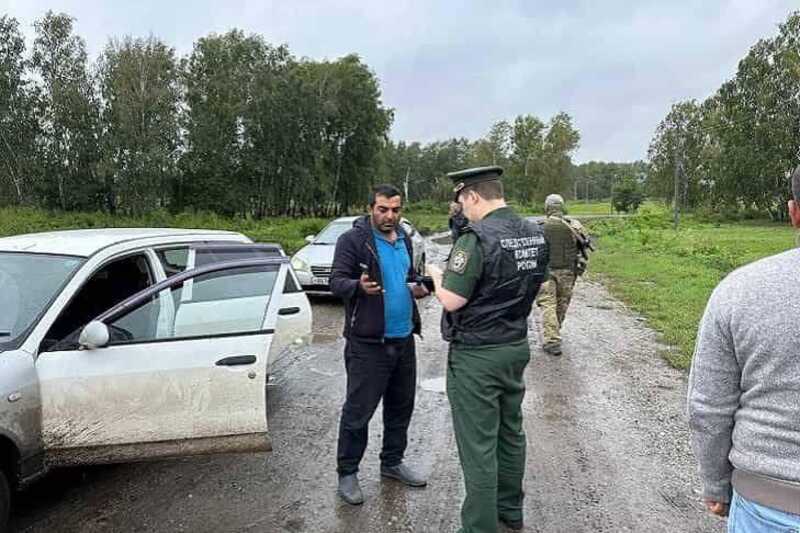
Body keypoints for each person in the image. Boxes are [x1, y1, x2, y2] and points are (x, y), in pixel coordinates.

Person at [427, 166, 548, 533]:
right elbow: (538, 286)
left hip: (477, 355)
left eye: (461, 199)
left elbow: (451, 299)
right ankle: (510, 512)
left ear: (474, 196)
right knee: (510, 432)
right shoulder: (533, 232)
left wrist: (435, 273)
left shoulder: (474, 239)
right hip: (515, 345)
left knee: (478, 444)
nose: (460, 208)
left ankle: (479, 527)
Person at [687, 166, 800, 531]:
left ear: (793, 212)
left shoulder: (740, 290)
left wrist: (716, 485)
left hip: (770, 505)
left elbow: (709, 406)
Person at [330, 184, 429, 505]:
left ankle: (391, 463)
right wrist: (357, 287)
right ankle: (347, 472)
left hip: (403, 340)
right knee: (358, 412)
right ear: (370, 207)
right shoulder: (353, 240)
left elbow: (409, 275)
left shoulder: (404, 239)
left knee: (401, 407)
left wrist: (418, 287)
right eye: (383, 209)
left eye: (395, 210)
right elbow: (336, 281)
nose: (390, 216)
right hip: (368, 344)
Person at [535, 194, 587, 356]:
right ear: (561, 207)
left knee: (548, 304)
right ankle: (554, 333)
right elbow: (584, 246)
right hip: (568, 272)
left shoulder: (539, 227)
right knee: (562, 303)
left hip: (546, 272)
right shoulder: (575, 225)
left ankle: (552, 339)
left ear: (547, 208)